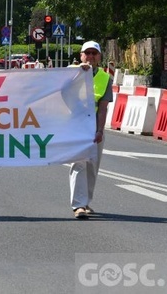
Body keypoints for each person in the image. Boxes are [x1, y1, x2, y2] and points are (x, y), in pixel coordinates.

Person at [69, 40, 113, 219]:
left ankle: (86, 201)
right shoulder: (71, 72)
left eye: (94, 53)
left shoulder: (104, 78)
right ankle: (78, 205)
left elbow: (103, 107)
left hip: (93, 125)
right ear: (81, 56)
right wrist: (79, 71)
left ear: (99, 57)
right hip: (75, 125)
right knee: (79, 163)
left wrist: (100, 130)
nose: (90, 56)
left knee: (92, 166)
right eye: (87, 53)